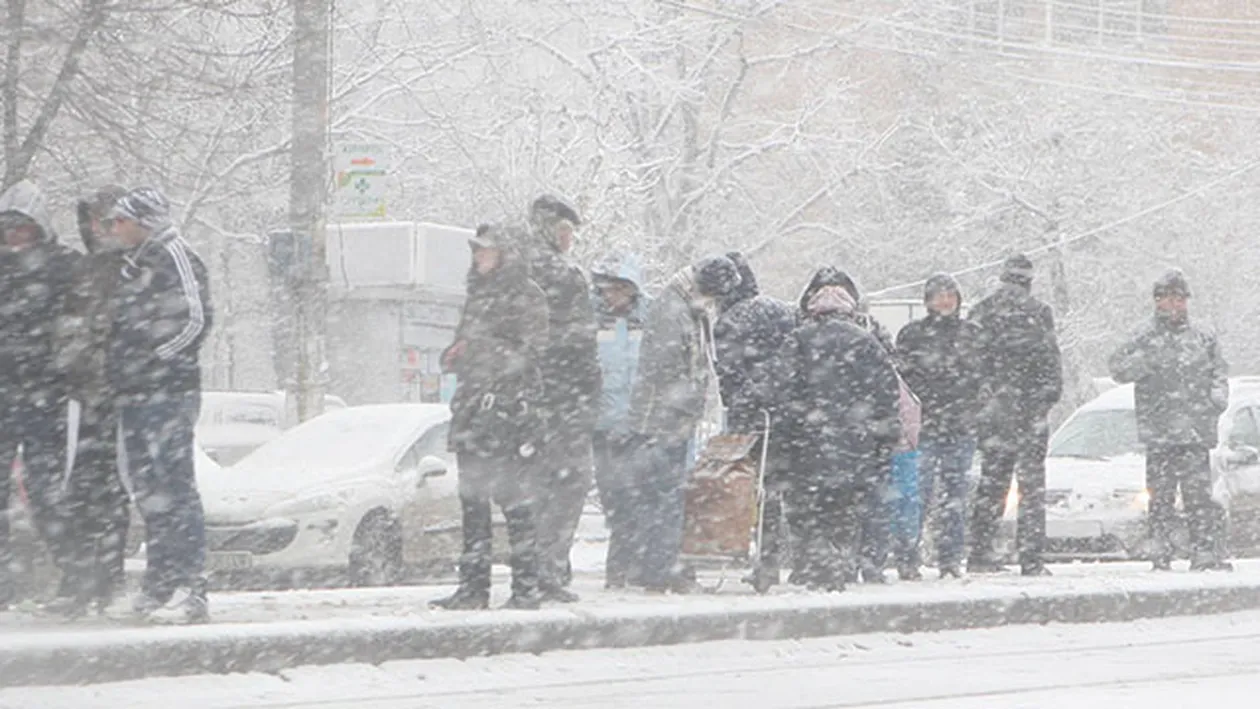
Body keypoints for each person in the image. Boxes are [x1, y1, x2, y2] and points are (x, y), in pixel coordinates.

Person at [106, 187, 214, 621]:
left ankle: (191, 583)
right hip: (137, 393)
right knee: (149, 490)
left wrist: (153, 361)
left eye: (121, 220)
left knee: (175, 487)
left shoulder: (176, 257)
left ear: (143, 221)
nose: (115, 228)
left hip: (167, 392)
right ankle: (160, 582)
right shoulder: (136, 265)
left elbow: (196, 320)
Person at [432, 224, 548, 611]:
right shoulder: (477, 296)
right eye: (476, 250)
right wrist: (454, 354)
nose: (478, 257)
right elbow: (470, 345)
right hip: (472, 410)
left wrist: (477, 350)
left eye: (486, 250)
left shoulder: (527, 296)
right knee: (473, 502)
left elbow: (528, 353)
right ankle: (473, 586)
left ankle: (526, 587)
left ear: (506, 255)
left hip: (507, 412)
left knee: (515, 503)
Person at [774, 269, 901, 592]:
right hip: (853, 445)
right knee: (843, 508)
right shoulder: (866, 342)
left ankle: (813, 562)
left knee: (806, 508)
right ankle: (838, 561)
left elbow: (780, 391)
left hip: (806, 444)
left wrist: (784, 434)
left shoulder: (798, 341)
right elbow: (886, 395)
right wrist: (884, 439)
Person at [623, 255, 740, 593]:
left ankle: (658, 566)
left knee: (664, 497)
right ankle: (660, 569)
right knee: (665, 498)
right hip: (661, 422)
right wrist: (691, 400)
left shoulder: (688, 308)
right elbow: (665, 369)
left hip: (670, 420)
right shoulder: (674, 312)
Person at [1108, 269, 1232, 572]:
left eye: (1179, 299)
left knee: (1198, 497)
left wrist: (1216, 400)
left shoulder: (1203, 336)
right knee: (1160, 497)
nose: (1174, 305)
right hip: (1159, 432)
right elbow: (1117, 368)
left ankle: (1202, 552)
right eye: (1167, 299)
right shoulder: (1144, 336)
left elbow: (1220, 372)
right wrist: (1145, 363)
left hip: (1194, 432)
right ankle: (1160, 550)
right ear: (1157, 302)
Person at [51, 185, 132, 615]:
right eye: (93, 221)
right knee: (80, 488)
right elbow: (69, 325)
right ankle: (80, 579)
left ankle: (110, 576)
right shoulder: (85, 271)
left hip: (117, 397)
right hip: (82, 396)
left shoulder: (133, 268)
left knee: (114, 490)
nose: (98, 229)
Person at [0, 179, 79, 606]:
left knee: (47, 486)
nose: (15, 235)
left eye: (22, 226)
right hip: (7, 392)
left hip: (45, 394)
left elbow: (81, 320)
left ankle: (72, 571)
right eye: (8, 226)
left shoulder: (62, 266)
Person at [526, 195, 602, 603]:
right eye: (568, 231)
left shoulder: (512, 268)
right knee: (569, 484)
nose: (571, 239)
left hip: (525, 398)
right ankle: (550, 568)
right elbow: (579, 344)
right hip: (564, 399)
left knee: (535, 485)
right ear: (555, 231)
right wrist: (588, 393)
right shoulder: (564, 276)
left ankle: (532, 568)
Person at [967, 254, 1062, 576]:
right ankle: (1031, 558)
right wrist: (1042, 402)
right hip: (1028, 413)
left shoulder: (983, 312)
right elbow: (1051, 365)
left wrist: (985, 403)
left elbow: (972, 366)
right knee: (1031, 489)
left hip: (997, 414)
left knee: (992, 485)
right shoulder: (1038, 314)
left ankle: (981, 552)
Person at [712, 251, 796, 590]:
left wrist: (739, 406)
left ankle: (753, 555)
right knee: (778, 488)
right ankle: (773, 558)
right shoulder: (781, 312)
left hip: (751, 418)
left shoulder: (730, 321)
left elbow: (728, 374)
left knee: (749, 487)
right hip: (786, 416)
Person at [896, 273, 984, 580]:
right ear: (928, 301)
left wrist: (973, 407)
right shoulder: (912, 335)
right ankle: (908, 557)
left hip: (959, 427)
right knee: (916, 496)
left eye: (950, 295)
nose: (945, 301)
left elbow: (982, 378)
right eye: (939, 295)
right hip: (925, 428)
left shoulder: (972, 334)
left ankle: (950, 560)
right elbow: (904, 379)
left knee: (955, 497)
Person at [588, 253, 648, 588]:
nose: (609, 296)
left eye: (616, 289)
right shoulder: (593, 323)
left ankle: (626, 566)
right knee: (615, 500)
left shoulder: (648, 320)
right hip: (604, 428)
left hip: (638, 428)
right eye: (605, 290)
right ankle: (622, 565)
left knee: (634, 499)